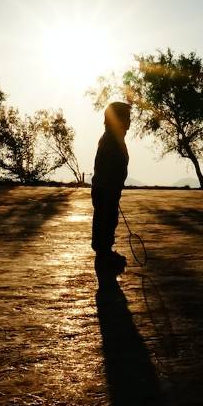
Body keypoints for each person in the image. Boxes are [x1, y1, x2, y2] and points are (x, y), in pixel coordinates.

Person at [91, 102, 131, 286]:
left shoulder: (112, 138)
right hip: (106, 190)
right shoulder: (111, 140)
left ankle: (105, 253)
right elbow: (106, 169)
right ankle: (103, 256)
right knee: (105, 221)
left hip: (107, 190)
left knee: (107, 221)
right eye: (127, 118)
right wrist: (110, 188)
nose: (129, 123)